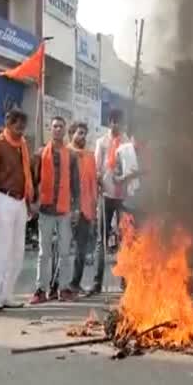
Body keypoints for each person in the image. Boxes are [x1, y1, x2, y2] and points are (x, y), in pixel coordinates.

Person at [0, 108, 34, 311]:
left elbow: (27, 176)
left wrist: (29, 204)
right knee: (1, 251)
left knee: (17, 252)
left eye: (22, 122)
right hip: (2, 199)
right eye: (16, 122)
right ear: (7, 123)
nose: (19, 126)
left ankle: (7, 294)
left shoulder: (23, 146)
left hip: (20, 202)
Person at [30, 117, 80, 304]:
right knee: (44, 253)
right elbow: (34, 181)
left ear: (65, 130)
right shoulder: (41, 153)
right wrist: (33, 202)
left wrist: (76, 208)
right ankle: (40, 290)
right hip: (45, 209)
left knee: (65, 252)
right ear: (50, 130)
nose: (57, 129)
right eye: (55, 126)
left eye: (61, 126)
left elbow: (75, 184)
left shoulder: (72, 155)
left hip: (65, 210)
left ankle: (63, 289)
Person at [91, 109, 127, 295]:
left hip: (123, 197)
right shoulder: (101, 142)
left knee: (125, 238)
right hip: (105, 195)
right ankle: (97, 282)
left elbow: (131, 168)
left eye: (119, 121)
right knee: (101, 240)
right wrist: (98, 179)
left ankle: (125, 281)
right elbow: (96, 168)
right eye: (113, 121)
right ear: (109, 122)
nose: (116, 125)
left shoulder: (127, 143)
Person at [67, 122, 97, 296]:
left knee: (81, 250)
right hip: (67, 208)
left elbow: (93, 184)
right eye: (79, 133)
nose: (83, 137)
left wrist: (93, 210)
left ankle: (74, 284)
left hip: (86, 209)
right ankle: (57, 286)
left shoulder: (90, 156)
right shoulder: (66, 153)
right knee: (62, 250)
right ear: (71, 134)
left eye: (85, 133)